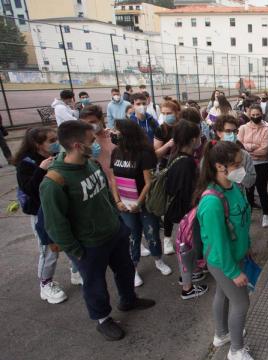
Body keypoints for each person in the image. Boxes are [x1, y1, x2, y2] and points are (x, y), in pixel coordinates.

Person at [40, 120, 155, 341]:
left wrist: (118, 222)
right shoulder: (54, 181)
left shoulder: (90, 163)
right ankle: (103, 319)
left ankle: (128, 299)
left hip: (114, 233)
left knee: (125, 270)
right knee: (95, 284)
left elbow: (104, 195)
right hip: (89, 245)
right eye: (91, 141)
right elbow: (55, 224)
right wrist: (76, 251)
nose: (96, 144)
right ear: (76, 145)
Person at [196, 140, 253, 360]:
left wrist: (246, 245)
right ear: (220, 166)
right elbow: (218, 246)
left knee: (223, 293)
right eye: (238, 164)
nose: (242, 169)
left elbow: (242, 221)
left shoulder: (233, 187)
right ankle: (236, 350)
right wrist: (233, 272)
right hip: (223, 261)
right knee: (241, 302)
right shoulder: (212, 202)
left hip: (235, 254)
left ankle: (221, 334)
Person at [13, 127, 80, 304]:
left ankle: (76, 271)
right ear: (37, 144)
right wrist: (41, 170)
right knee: (50, 250)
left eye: (56, 139)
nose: (56, 143)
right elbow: (31, 190)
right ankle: (46, 283)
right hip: (41, 213)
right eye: (51, 141)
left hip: (61, 208)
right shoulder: (26, 163)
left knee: (72, 240)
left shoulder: (59, 156)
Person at [109, 119, 172, 288]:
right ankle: (134, 268)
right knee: (132, 237)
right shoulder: (116, 152)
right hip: (125, 205)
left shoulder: (144, 153)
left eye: (116, 131)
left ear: (127, 133)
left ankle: (158, 260)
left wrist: (139, 202)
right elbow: (114, 179)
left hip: (143, 204)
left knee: (151, 233)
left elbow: (148, 181)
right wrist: (117, 201)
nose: (113, 134)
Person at [165, 121, 209, 300]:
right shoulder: (186, 163)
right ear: (193, 139)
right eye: (198, 136)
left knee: (189, 246)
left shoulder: (175, 156)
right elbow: (186, 193)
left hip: (180, 213)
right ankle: (187, 287)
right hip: (187, 215)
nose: (200, 140)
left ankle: (192, 273)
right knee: (186, 248)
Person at [238, 104, 268, 228]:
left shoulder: (266, 129)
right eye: (253, 115)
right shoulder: (243, 128)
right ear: (249, 115)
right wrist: (253, 148)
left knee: (262, 190)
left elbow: (264, 150)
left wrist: (248, 149)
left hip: (261, 164)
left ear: (261, 114)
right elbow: (239, 146)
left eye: (258, 115)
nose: (255, 117)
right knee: (248, 190)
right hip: (246, 164)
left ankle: (266, 215)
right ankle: (249, 212)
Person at [214, 115, 256, 190]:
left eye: (234, 131)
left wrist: (237, 171)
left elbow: (250, 181)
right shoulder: (211, 154)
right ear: (219, 133)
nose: (232, 135)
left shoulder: (244, 155)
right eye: (228, 131)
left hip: (239, 196)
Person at [79, 105, 115, 182]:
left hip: (121, 184)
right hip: (102, 185)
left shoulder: (114, 137)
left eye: (92, 122)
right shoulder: (83, 144)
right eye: (85, 124)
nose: (89, 126)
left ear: (101, 119)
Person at [154, 99, 182, 169]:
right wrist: (167, 145)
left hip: (181, 163)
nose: (165, 116)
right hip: (166, 165)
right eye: (163, 113)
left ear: (176, 113)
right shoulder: (160, 129)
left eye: (169, 113)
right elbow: (156, 154)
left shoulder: (182, 126)